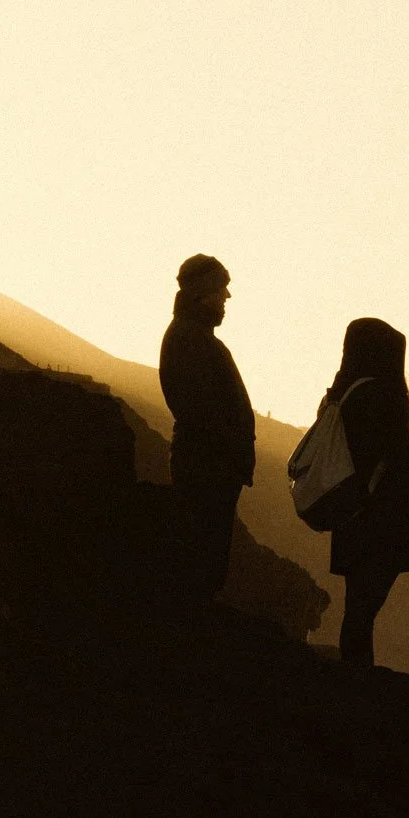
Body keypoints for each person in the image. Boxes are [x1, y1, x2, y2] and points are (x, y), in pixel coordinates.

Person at [319, 317, 409, 666]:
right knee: (363, 611)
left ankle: (355, 682)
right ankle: (358, 689)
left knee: (358, 607)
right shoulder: (381, 396)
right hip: (382, 521)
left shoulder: (338, 397)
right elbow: (400, 458)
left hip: (352, 516)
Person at [157, 254, 256, 606]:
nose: (227, 296)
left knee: (205, 564)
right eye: (221, 288)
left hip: (212, 467)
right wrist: (231, 453)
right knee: (201, 567)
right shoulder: (189, 340)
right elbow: (200, 410)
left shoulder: (192, 336)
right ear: (202, 293)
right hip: (206, 470)